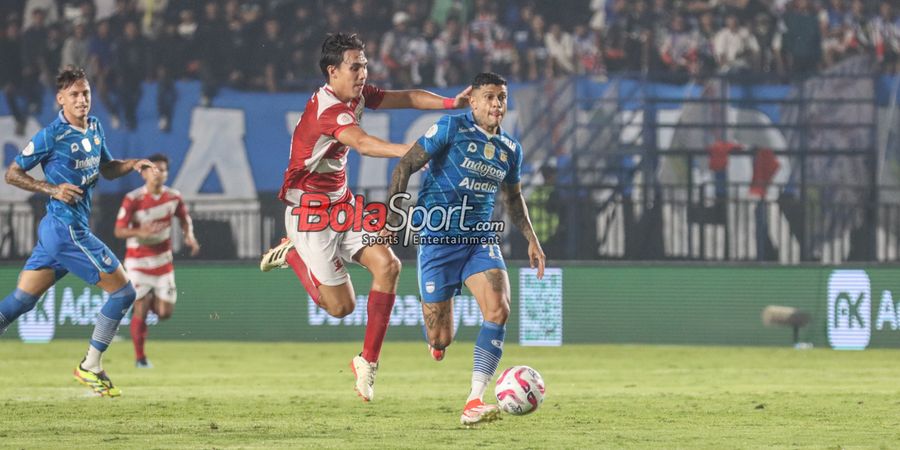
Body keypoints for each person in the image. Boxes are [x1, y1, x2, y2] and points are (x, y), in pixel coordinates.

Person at [258, 32, 471, 402]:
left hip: (340, 204)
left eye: (364, 65)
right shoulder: (329, 110)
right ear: (332, 71)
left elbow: (406, 97)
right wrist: (414, 151)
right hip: (309, 214)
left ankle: (367, 363)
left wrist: (453, 101)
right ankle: (292, 253)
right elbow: (363, 143)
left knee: (388, 267)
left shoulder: (353, 95)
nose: (362, 73)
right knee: (341, 308)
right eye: (355, 67)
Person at [385, 72, 546, 425]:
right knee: (441, 337)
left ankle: (474, 399)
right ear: (472, 101)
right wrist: (392, 218)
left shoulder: (510, 149)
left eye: (502, 97)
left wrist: (532, 239)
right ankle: (438, 342)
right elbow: (406, 164)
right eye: (489, 97)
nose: (496, 104)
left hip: (479, 239)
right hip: (437, 237)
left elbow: (513, 198)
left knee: (499, 308)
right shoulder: (450, 128)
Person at [1, 66, 157, 397]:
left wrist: (132, 164)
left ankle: (91, 366)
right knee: (124, 293)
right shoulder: (51, 135)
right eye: (74, 94)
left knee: (21, 300)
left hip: (61, 232)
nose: (82, 99)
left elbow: (108, 169)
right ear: (61, 99)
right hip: (65, 229)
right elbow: (12, 174)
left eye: (85, 92)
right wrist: (50, 188)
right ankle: (90, 366)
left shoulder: (95, 128)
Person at [114, 153, 200, 369]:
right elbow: (118, 230)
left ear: (167, 174)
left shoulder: (173, 197)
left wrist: (189, 236)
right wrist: (140, 230)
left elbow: (184, 218)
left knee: (164, 313)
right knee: (141, 309)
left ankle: (143, 302)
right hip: (138, 262)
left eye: (162, 169)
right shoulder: (133, 199)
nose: (158, 173)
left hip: (162, 262)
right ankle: (140, 358)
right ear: (143, 173)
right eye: (153, 169)